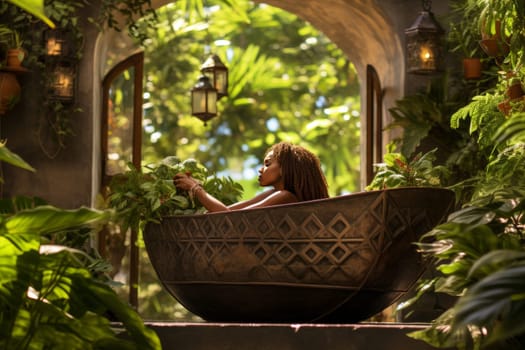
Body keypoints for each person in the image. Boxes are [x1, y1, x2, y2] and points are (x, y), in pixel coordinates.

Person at [173, 141, 329, 212]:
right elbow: (228, 210)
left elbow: (228, 217)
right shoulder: (275, 194)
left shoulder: (285, 196)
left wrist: (195, 188)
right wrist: (194, 185)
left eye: (268, 164)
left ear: (284, 169)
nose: (261, 169)